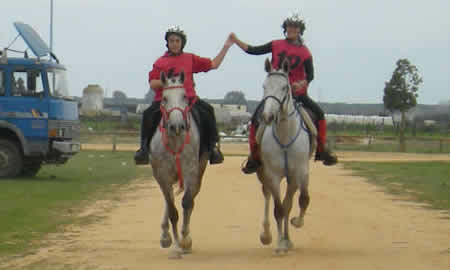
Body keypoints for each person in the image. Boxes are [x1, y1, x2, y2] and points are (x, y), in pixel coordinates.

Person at [230, 13, 338, 174]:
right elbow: (253, 50)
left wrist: (301, 84)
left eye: (295, 27)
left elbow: (310, 75)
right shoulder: (275, 44)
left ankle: (321, 150)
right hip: (275, 93)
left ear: (300, 31)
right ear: (285, 29)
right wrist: (236, 40)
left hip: (298, 95)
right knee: (255, 119)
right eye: (289, 26)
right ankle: (254, 156)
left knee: (319, 114)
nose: (291, 30)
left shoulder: (305, 52)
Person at [134, 26, 233, 165]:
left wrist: (226, 47)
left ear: (182, 43)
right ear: (167, 43)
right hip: (165, 101)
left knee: (208, 111)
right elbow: (152, 83)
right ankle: (143, 150)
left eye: (177, 41)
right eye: (171, 41)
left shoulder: (190, 59)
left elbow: (214, 64)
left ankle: (212, 148)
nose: (174, 43)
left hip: (189, 100)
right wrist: (166, 83)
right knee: (148, 115)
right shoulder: (160, 62)